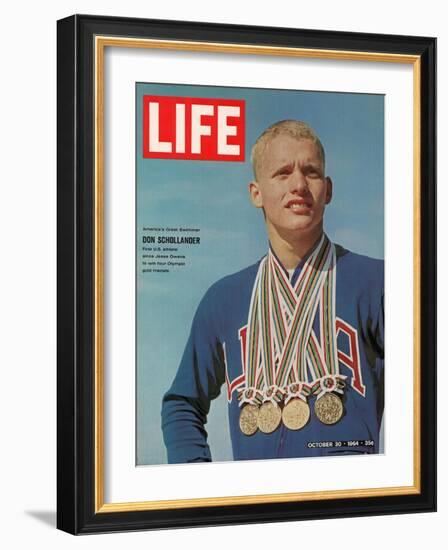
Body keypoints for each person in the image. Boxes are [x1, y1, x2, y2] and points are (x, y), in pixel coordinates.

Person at [161, 120, 384, 463]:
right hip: (257, 506)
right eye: (282, 173)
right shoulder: (223, 299)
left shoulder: (377, 282)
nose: (298, 184)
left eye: (310, 172)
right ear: (256, 193)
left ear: (328, 188)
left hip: (348, 504)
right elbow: (182, 403)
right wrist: (196, 483)